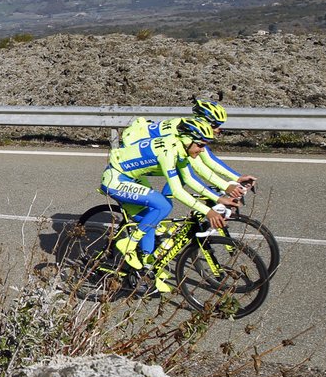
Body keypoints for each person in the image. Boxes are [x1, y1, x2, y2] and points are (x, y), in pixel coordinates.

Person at [100, 117, 236, 293]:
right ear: (188, 140)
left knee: (151, 221)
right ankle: (129, 244)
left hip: (131, 179)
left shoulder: (181, 149)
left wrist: (219, 199)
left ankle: (145, 271)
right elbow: (177, 191)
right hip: (116, 180)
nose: (202, 150)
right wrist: (207, 211)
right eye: (200, 145)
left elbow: (189, 179)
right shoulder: (168, 152)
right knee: (163, 205)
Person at [120, 98, 256, 199]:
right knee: (154, 199)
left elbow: (209, 159)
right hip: (131, 151)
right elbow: (199, 167)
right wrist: (225, 186)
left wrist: (237, 178)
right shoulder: (187, 135)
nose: (219, 129)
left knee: (182, 173)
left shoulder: (192, 129)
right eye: (216, 125)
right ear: (205, 122)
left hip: (145, 143)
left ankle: (166, 201)